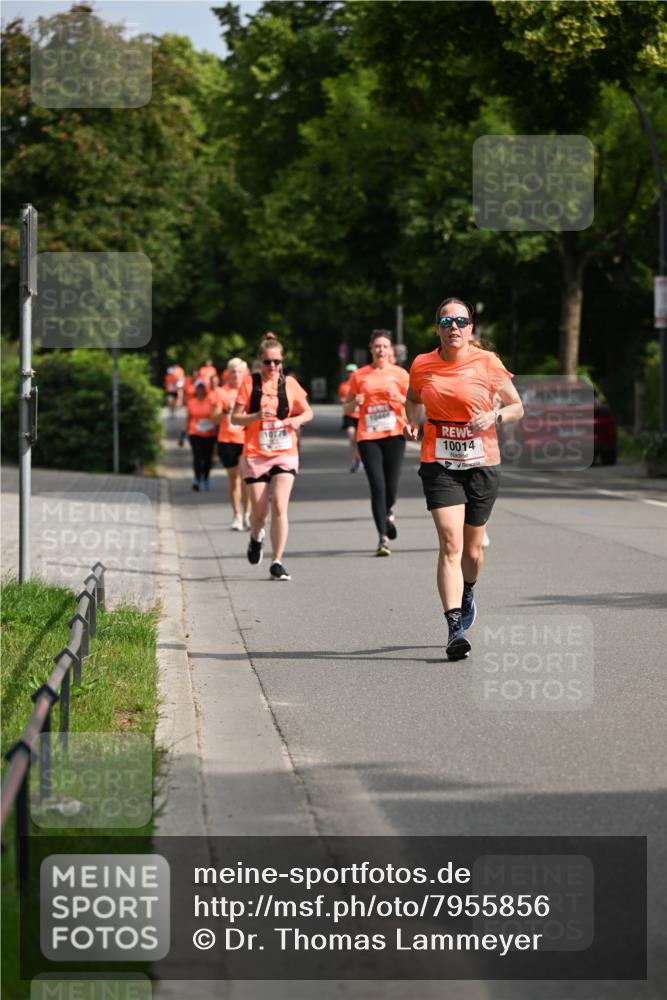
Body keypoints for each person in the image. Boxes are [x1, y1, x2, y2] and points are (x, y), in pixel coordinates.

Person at [404, 297, 523, 660]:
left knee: (472, 551)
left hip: (482, 462)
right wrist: (412, 419)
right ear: (437, 327)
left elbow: (517, 405)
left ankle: (468, 589)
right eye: (446, 320)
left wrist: (495, 417)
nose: (453, 326)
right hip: (439, 460)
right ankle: (454, 626)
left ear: (471, 328)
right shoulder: (422, 364)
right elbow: (412, 398)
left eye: (460, 320)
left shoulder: (487, 362)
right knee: (451, 543)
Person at [232, 333, 314, 581]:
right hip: (256, 454)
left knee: (279, 505)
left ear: (282, 361)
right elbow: (235, 418)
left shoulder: (289, 384)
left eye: (277, 362)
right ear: (259, 361)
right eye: (267, 362)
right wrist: (256, 416)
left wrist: (297, 420)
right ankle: (256, 537)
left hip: (285, 452)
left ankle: (277, 561)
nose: (272, 367)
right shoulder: (249, 384)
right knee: (259, 513)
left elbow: (308, 412)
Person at [343, 330, 409, 556]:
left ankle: (388, 511)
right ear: (371, 349)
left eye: (385, 346)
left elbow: (414, 403)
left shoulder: (400, 374)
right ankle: (382, 538)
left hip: (394, 435)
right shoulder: (359, 375)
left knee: (391, 487)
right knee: (377, 487)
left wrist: (398, 398)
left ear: (391, 351)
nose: (381, 350)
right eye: (377, 346)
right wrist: (356, 402)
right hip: (368, 437)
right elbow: (347, 407)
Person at [212, 357, 251, 531]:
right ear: (228, 373)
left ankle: (248, 514)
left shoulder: (250, 391)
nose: (236, 374)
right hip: (227, 439)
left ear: (245, 373)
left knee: (245, 478)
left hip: (246, 439)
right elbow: (214, 418)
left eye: (239, 371)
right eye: (233, 371)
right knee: (233, 479)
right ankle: (237, 515)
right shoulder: (221, 392)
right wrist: (225, 412)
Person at [180, 379, 218, 491]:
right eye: (198, 388)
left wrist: (217, 429)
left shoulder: (211, 401)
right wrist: (182, 435)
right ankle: (197, 480)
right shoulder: (191, 403)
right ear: (195, 390)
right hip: (195, 432)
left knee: (207, 458)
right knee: (197, 457)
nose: (200, 390)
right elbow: (188, 419)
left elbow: (216, 417)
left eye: (202, 388)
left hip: (209, 433)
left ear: (205, 389)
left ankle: (206, 478)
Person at [338, 362, 361, 471]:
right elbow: (343, 400)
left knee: (360, 440)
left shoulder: (362, 384)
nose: (351, 373)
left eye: (353, 371)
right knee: (352, 438)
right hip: (349, 415)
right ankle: (353, 461)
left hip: (361, 415)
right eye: (349, 372)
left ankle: (359, 458)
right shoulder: (344, 386)